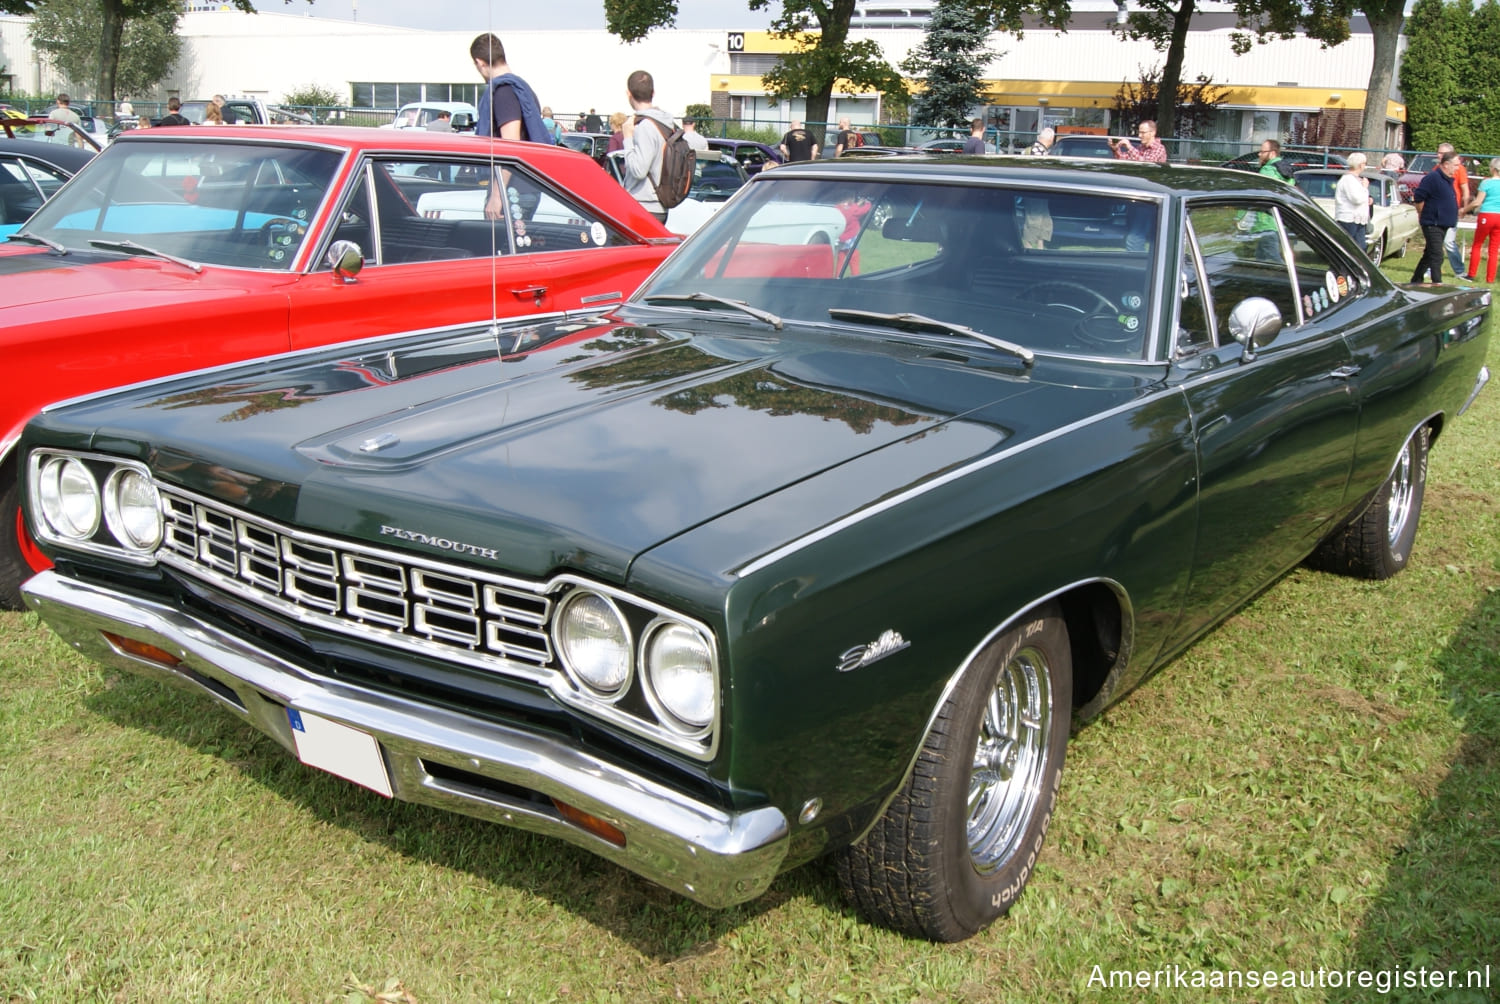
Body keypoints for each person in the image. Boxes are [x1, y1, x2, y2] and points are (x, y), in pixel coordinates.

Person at [620, 69, 677, 222]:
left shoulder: (645, 126)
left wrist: (627, 138)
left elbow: (639, 170)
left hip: (645, 205)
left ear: (629, 94)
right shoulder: (666, 123)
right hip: (660, 203)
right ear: (653, 93)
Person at [1411, 151, 1460, 283]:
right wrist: (1422, 214)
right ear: (1446, 164)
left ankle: (1416, 280)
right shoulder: (1433, 178)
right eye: (1455, 165)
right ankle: (1437, 283)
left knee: (1429, 254)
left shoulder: (1447, 181)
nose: (1457, 168)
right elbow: (1419, 197)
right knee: (1437, 255)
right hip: (1433, 223)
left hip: (1443, 223)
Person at [1437, 142, 1471, 278]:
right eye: (1438, 152)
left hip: (1452, 210)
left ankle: (1459, 270)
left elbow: (1465, 189)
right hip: (1437, 211)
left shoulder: (1459, 169)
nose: (1437, 155)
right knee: (1435, 241)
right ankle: (1430, 267)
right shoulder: (1436, 169)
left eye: (1441, 153)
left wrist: (1464, 208)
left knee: (1448, 241)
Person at [1463, 157, 1500, 282]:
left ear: (1493, 169)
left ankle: (1471, 274)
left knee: (1477, 244)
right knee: (1494, 249)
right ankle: (1490, 278)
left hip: (1487, 215)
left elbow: (1477, 202)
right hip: (1499, 216)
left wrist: (1464, 209)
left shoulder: (1486, 183)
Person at [1333, 152, 1371, 250]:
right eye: (1364, 163)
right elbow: (1356, 199)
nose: (1365, 165)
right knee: (1347, 249)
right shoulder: (1348, 179)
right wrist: (1365, 188)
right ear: (1360, 164)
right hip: (1348, 219)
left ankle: (1358, 266)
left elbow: (1361, 197)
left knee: (1361, 248)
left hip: (1359, 219)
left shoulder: (1357, 179)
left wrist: (1368, 199)